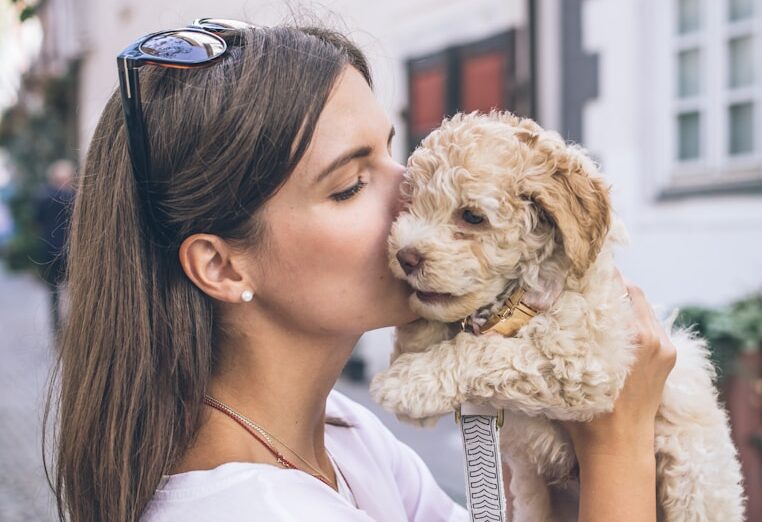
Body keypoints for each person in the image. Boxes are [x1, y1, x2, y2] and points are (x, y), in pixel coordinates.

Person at [45, 21, 676, 522]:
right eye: (350, 184)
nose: (412, 193)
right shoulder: (253, 510)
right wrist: (617, 443)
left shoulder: (346, 436)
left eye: (392, 151)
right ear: (220, 264)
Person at [34, 158, 75, 336]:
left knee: (53, 291)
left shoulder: (43, 196)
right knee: (73, 289)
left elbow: (37, 220)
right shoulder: (72, 197)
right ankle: (73, 324)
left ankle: (56, 326)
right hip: (70, 250)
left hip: (49, 248)